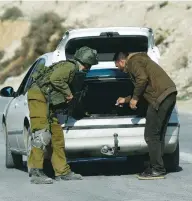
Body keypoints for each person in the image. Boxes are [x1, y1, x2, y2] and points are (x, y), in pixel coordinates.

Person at [27, 46, 99, 184]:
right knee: (42, 134)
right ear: (85, 63)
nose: (87, 69)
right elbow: (55, 79)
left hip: (49, 102)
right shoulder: (70, 67)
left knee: (57, 137)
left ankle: (62, 171)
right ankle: (36, 171)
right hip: (38, 96)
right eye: (88, 66)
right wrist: (68, 94)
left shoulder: (72, 69)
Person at [114, 52, 177, 180]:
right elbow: (144, 90)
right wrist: (126, 100)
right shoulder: (141, 60)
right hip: (168, 94)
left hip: (159, 97)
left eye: (117, 66)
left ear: (121, 61)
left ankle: (157, 169)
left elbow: (142, 80)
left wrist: (134, 98)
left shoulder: (133, 61)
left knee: (151, 135)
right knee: (158, 134)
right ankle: (157, 166)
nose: (119, 69)